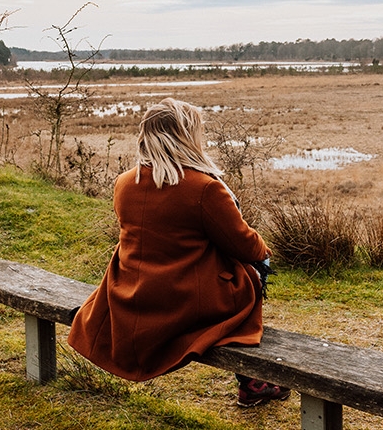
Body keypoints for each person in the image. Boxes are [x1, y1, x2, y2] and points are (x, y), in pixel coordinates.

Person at [67, 98, 290, 407]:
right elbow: (245, 245)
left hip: (130, 295)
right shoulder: (203, 188)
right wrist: (264, 256)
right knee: (253, 269)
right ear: (185, 137)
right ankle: (252, 381)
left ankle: (252, 380)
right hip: (183, 302)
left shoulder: (123, 183)